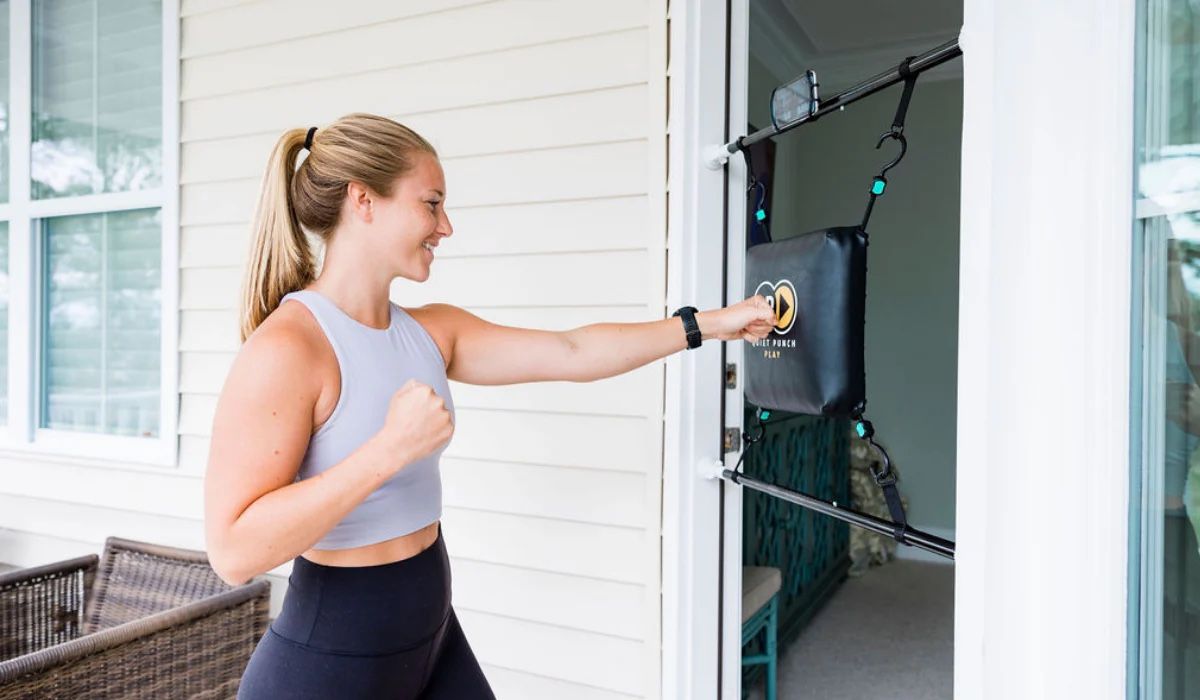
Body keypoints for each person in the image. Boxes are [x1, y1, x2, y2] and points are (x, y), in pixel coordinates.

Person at [202, 112, 776, 699]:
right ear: (363, 200)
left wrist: (710, 325)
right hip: (328, 664)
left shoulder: (430, 332)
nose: (445, 227)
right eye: (431, 204)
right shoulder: (290, 347)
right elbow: (233, 552)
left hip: (430, 636)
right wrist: (387, 451)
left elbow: (573, 351)